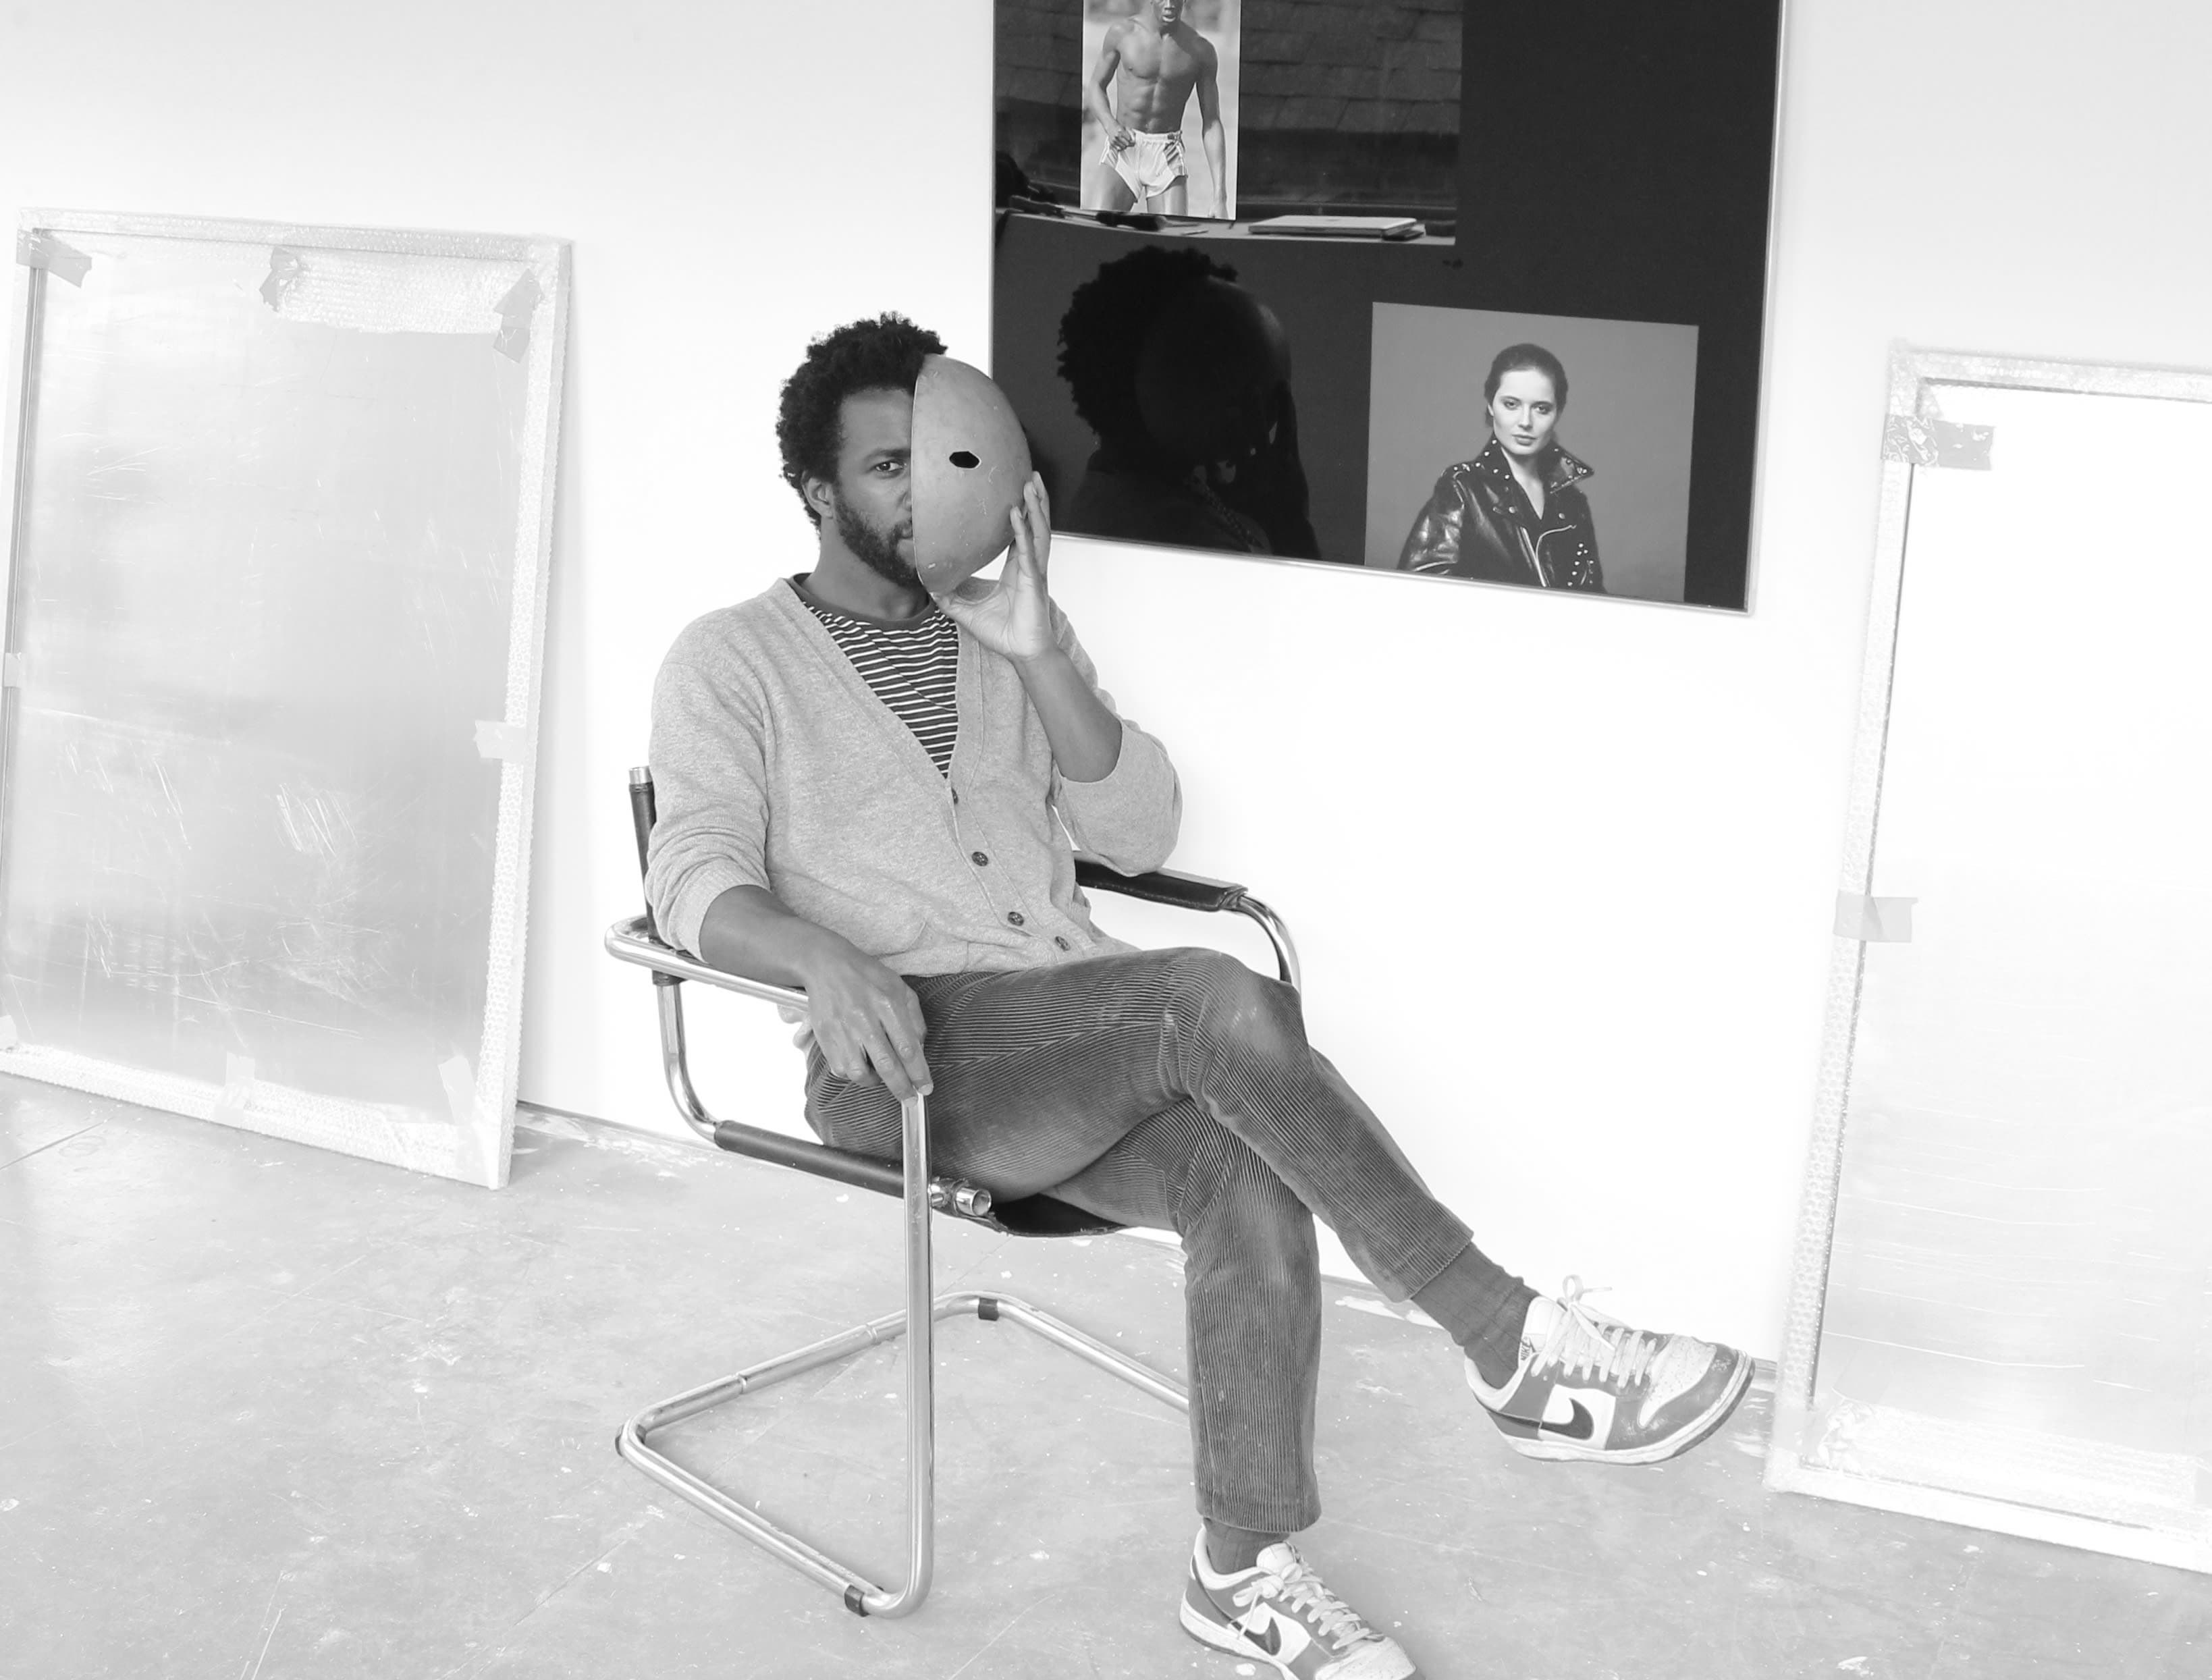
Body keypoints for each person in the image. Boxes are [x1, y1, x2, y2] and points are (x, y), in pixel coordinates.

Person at [647, 315, 1746, 1680]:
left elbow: (1139, 827)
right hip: (906, 1067)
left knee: (1241, 1154)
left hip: (1072, 1025)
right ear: (818, 489)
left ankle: (1241, 1571)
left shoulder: (1001, 635)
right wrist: (821, 955)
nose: (923, 494)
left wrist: (1040, 650)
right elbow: (690, 869)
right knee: (1206, 995)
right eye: (885, 468)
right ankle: (1507, 1337)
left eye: (934, 460)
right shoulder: (729, 658)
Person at [1057, 245, 1319, 559]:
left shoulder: (1124, 482)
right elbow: (1305, 607)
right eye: (1223, 369)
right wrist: (1289, 525)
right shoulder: (1183, 539)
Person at [1397, 343, 1606, 592]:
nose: (1525, 422)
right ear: (1490, 405)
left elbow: (1594, 603)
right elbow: (1418, 591)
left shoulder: (1574, 504)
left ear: (1558, 413)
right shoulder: (1462, 488)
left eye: (1542, 409)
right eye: (1511, 404)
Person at [1083, 0, 1226, 218]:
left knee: (1171, 243)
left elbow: (1212, 122)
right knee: (1095, 229)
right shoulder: (1123, 33)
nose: (1169, 5)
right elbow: (1095, 86)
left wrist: (1220, 197)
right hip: (1124, 146)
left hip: (1166, 152)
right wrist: (1110, 125)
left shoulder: (1201, 50)